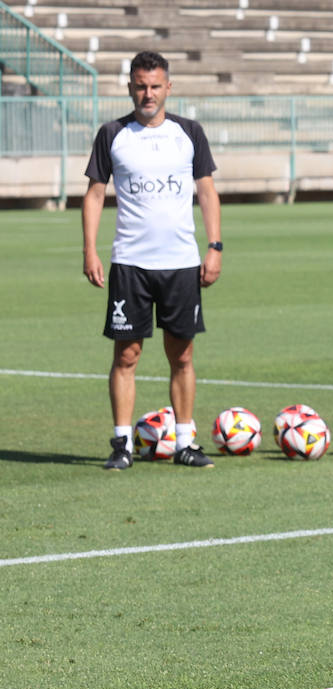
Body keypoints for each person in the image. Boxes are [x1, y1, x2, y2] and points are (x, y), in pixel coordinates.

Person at [84, 49, 222, 470]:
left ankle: (184, 442)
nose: (148, 93)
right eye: (141, 86)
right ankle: (122, 444)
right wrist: (90, 249)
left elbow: (206, 190)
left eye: (155, 86)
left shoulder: (189, 132)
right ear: (129, 86)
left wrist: (214, 246)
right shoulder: (112, 134)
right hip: (130, 263)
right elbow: (94, 194)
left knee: (182, 355)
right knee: (126, 355)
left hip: (181, 262)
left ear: (168, 87)